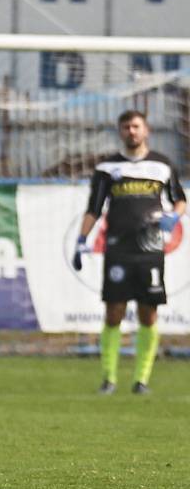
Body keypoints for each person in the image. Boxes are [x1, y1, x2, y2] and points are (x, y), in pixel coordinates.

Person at [72, 109, 186, 395]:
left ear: (146, 130)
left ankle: (141, 380)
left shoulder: (162, 165)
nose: (131, 132)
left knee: (148, 314)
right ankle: (109, 379)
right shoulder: (107, 168)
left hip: (150, 250)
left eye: (136, 126)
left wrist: (175, 215)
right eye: (126, 127)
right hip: (117, 249)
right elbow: (94, 208)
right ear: (120, 132)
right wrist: (81, 239)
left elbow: (179, 200)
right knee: (114, 312)